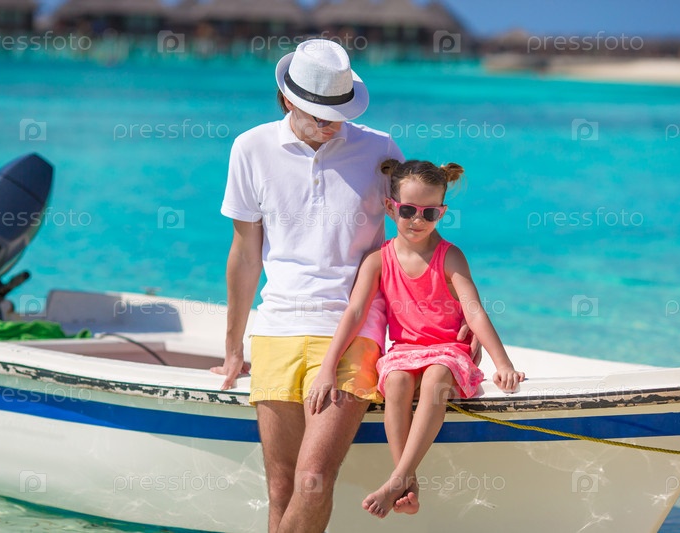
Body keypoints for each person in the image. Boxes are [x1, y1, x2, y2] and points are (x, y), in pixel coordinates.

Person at [212, 38, 406, 533]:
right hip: (276, 327)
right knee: (281, 488)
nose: (332, 124)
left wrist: (449, 320)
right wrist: (233, 348)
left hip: (352, 327)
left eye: (338, 113)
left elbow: (413, 239)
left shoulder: (380, 149)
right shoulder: (250, 148)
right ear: (287, 100)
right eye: (320, 114)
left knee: (314, 479)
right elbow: (245, 256)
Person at [307, 158, 525, 519]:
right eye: (408, 210)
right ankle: (407, 481)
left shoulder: (450, 256)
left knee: (437, 374)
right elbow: (355, 312)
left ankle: (398, 478)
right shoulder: (379, 260)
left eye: (429, 213)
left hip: (449, 350)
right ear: (391, 207)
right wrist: (328, 367)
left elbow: (474, 312)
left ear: (442, 212)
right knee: (395, 380)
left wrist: (503, 363)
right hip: (405, 350)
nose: (418, 220)